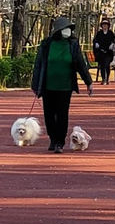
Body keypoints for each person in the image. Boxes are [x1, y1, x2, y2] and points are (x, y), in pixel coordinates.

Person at [31, 17, 94, 153]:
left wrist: (88, 82)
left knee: (62, 114)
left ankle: (60, 141)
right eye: (65, 29)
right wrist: (35, 85)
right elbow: (38, 65)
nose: (68, 32)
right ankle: (52, 139)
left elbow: (80, 64)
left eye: (69, 29)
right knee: (49, 114)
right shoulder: (47, 44)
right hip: (48, 85)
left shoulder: (73, 45)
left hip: (65, 86)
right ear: (58, 31)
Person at [92, 19, 115, 85]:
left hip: (108, 53)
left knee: (107, 65)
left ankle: (107, 78)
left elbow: (114, 40)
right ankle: (103, 79)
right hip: (101, 52)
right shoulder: (99, 33)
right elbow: (95, 40)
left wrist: (112, 44)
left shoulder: (111, 33)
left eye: (106, 25)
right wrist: (96, 43)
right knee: (102, 65)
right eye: (103, 25)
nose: (105, 26)